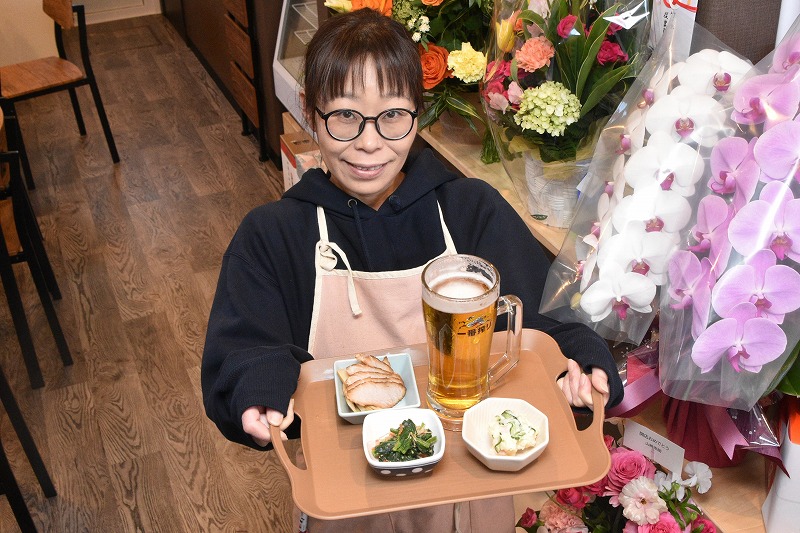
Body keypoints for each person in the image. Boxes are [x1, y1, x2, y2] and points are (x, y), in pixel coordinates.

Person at [201, 7, 622, 532]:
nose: (370, 142)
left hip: (471, 485)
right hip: (347, 493)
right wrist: (257, 387)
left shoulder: (471, 209)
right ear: (311, 113)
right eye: (345, 116)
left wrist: (579, 359)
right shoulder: (273, 233)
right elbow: (244, 348)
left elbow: (541, 321)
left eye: (393, 115)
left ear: (418, 114)